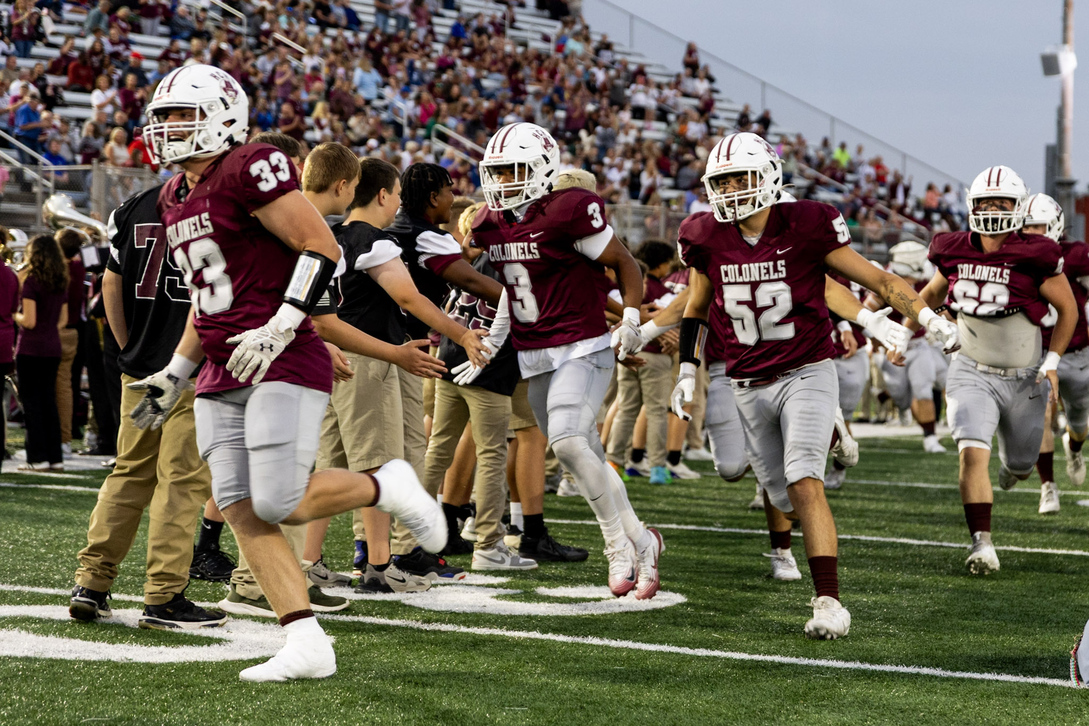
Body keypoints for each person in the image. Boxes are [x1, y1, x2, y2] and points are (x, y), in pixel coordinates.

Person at [131, 64, 445, 682]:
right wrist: (176, 370)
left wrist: (280, 324)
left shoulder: (250, 164)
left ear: (223, 116)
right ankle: (305, 641)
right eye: (163, 116)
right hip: (220, 367)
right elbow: (208, 295)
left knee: (280, 500)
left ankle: (388, 484)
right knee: (239, 506)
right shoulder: (173, 195)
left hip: (282, 355)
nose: (169, 127)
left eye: (182, 115)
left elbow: (321, 246)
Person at [668, 132, 957, 637]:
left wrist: (928, 320)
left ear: (767, 177)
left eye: (740, 178)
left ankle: (829, 602)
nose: (731, 189)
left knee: (804, 480)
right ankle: (833, 430)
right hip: (745, 379)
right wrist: (687, 371)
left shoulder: (806, 223)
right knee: (782, 499)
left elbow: (879, 280)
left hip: (806, 368)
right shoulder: (705, 234)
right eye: (723, 181)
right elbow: (696, 306)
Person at [471, 122, 664, 600]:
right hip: (535, 352)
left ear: (542, 169)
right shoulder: (490, 222)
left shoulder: (569, 209)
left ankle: (617, 544)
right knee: (588, 454)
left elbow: (624, 262)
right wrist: (493, 341)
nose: (503, 180)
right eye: (497, 171)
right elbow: (513, 288)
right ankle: (643, 540)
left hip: (582, 344)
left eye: (513, 170)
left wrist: (632, 317)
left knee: (568, 442)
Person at [310, 154, 487, 585]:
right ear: (383, 194)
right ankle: (379, 565)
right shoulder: (375, 241)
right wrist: (462, 334)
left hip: (329, 357)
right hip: (368, 359)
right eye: (394, 195)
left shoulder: (329, 235)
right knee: (379, 468)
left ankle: (309, 561)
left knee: (329, 468)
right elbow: (409, 298)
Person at [69, 174, 228, 629]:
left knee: (130, 473)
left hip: (142, 371)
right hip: (192, 372)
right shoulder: (225, 204)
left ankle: (92, 582)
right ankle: (164, 595)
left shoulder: (134, 205)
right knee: (181, 483)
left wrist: (130, 352)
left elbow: (111, 284)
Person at [913, 166, 1076, 576]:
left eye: (1002, 202)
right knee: (971, 453)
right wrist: (906, 330)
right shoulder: (952, 247)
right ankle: (981, 543)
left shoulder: (1037, 253)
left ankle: (1013, 467)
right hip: (970, 370)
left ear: (1018, 207)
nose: (992, 209)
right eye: (985, 202)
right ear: (972, 205)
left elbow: (1069, 309)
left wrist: (1053, 360)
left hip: (1025, 377)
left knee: (1021, 466)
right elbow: (926, 297)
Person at [1021, 194, 1089, 515]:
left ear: (1055, 226)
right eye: (1027, 226)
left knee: (1079, 422)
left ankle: (1074, 448)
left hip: (1076, 353)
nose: (1032, 232)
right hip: (1037, 353)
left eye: (1038, 226)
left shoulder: (1076, 255)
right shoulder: (1014, 257)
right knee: (1042, 417)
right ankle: (1048, 486)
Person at [864, 240, 946, 454]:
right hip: (891, 347)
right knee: (900, 394)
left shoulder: (927, 278)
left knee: (923, 388)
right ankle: (902, 408)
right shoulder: (883, 281)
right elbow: (864, 315)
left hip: (918, 345)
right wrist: (875, 341)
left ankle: (930, 437)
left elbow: (942, 305)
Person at [15, 235, 69, 472]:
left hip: (31, 348)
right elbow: (63, 320)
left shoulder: (32, 281)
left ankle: (37, 458)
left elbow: (29, 320)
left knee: (32, 404)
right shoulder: (60, 281)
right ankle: (55, 457)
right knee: (49, 403)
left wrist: (13, 315)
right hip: (52, 347)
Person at [54, 229, 85, 456]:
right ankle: (68, 433)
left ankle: (58, 438)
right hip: (75, 330)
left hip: (56, 330)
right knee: (68, 386)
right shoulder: (80, 267)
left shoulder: (58, 269)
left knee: (54, 388)